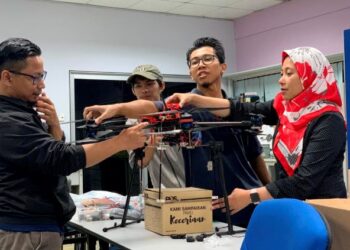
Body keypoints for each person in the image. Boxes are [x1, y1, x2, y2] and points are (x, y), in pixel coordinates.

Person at [84, 37, 270, 227]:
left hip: (250, 201)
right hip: (205, 208)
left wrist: (269, 194)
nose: (201, 65)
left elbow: (256, 157)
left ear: (223, 66)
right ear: (190, 72)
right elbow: (151, 107)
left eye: (208, 59)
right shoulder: (182, 107)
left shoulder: (236, 109)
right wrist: (116, 108)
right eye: (195, 62)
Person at [0, 38, 147, 250]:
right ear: (7, 77)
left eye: (43, 76)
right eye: (35, 78)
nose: (42, 85)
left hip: (36, 227)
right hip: (24, 231)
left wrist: (54, 127)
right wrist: (120, 142)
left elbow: (42, 156)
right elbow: (60, 158)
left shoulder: (22, 111)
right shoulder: (8, 119)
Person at [166, 47, 347, 215]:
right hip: (295, 208)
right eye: (281, 73)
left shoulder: (329, 120)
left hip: (325, 211)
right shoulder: (285, 109)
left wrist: (251, 195)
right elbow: (243, 110)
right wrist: (194, 99)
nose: (281, 79)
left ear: (310, 76)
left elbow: (304, 181)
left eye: (289, 73)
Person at [126, 64, 185, 188]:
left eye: (149, 84)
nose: (144, 90)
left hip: (197, 185)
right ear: (133, 90)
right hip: (164, 192)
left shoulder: (179, 111)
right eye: (138, 86)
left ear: (161, 86)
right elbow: (140, 163)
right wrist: (152, 141)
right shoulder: (133, 122)